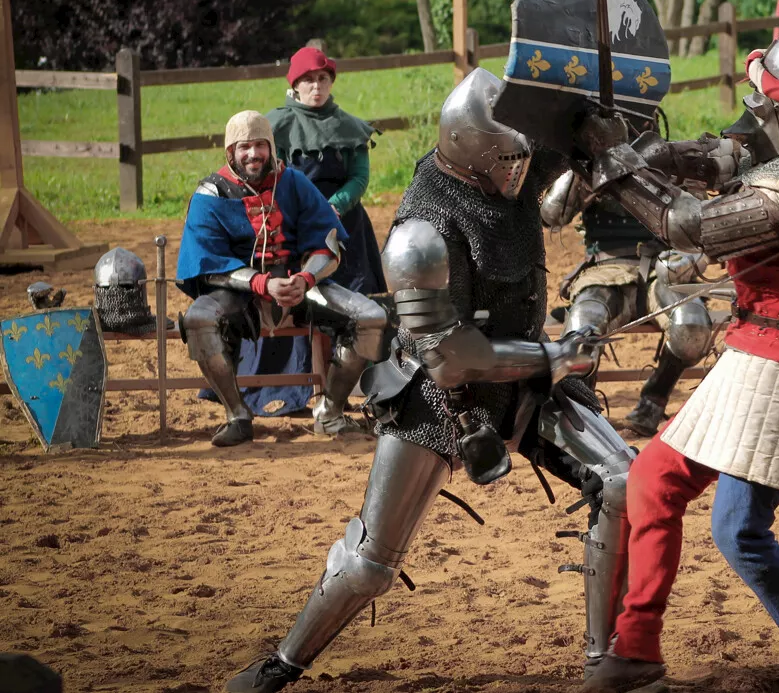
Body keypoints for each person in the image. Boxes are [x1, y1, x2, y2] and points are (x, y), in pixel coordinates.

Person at [222, 69, 639, 693]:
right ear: (475, 154)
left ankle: (605, 661)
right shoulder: (420, 234)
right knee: (370, 565)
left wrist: (603, 128)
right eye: (507, 160)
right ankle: (284, 661)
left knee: (623, 480)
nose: (521, 170)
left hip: (525, 375)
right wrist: (553, 358)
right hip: (440, 395)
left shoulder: (509, 159)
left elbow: (579, 145)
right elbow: (450, 357)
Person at [578, 25, 779, 693]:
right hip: (759, 355)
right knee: (653, 479)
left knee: (740, 529)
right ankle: (635, 647)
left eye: (771, 106)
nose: (760, 115)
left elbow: (691, 225)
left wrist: (619, 169)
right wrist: (653, 150)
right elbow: (735, 151)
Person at [176, 111, 388, 446]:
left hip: (299, 286)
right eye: (245, 146)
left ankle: (329, 412)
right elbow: (207, 260)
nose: (254, 153)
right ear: (230, 151)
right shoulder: (210, 194)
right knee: (199, 318)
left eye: (261, 144)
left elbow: (329, 238)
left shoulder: (293, 182)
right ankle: (238, 416)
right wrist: (261, 284)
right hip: (239, 292)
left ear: (271, 146)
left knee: (373, 317)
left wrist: (305, 277)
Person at [541, 168, 715, 436]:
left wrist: (689, 259)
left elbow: (702, 229)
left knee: (691, 326)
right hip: (604, 270)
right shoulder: (589, 165)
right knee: (580, 332)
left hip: (663, 269)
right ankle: (583, 413)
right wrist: (577, 169)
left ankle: (653, 401)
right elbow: (552, 216)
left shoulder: (670, 161)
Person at [268, 46, 386, 295]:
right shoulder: (276, 126)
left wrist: (334, 207)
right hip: (294, 222)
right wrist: (308, 211)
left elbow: (359, 177)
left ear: (331, 82)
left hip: (345, 222)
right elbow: (274, 178)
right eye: (308, 79)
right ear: (295, 84)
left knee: (357, 303)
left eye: (323, 78)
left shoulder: (351, 127)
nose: (316, 86)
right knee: (297, 299)